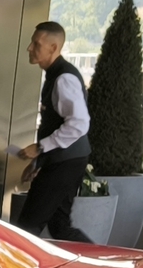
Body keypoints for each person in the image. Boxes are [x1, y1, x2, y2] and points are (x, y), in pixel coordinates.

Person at [15, 21, 93, 241]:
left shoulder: (63, 78)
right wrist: (38, 162)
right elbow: (56, 123)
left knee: (27, 227)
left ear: (53, 47)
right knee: (60, 227)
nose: (30, 48)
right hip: (68, 159)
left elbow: (79, 124)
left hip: (65, 162)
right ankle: (96, 264)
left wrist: (40, 147)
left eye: (36, 43)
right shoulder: (56, 75)